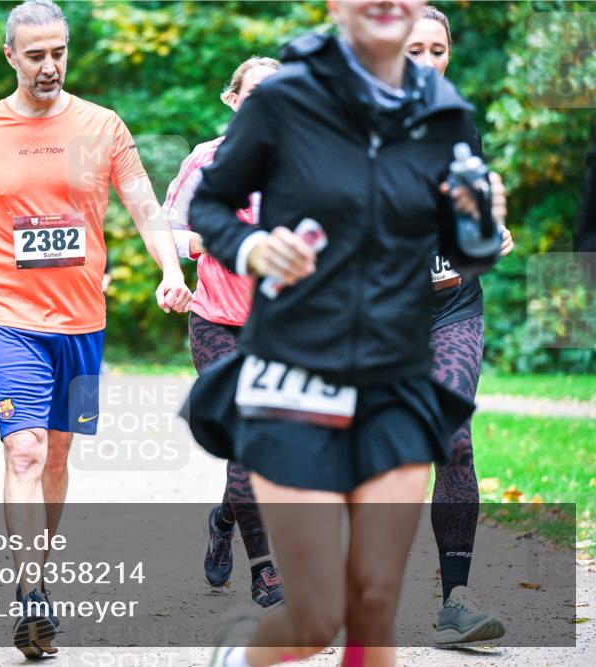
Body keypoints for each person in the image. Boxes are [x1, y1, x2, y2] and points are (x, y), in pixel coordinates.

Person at [186, 1, 500, 665]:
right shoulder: (286, 99)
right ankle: (237, 656)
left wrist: (479, 229)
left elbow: (462, 240)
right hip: (299, 367)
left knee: (374, 606)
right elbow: (209, 204)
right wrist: (252, 248)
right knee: (318, 616)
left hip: (396, 370)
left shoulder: (445, 113)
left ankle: (448, 595)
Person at [0, 0, 192, 657]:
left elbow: (142, 202)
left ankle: (39, 576)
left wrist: (169, 268)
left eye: (59, 53)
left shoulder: (100, 127)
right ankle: (29, 596)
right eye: (36, 55)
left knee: (55, 456)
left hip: (81, 321)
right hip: (7, 319)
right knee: (21, 450)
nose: (49, 66)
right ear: (10, 56)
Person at [406, 4, 514, 646]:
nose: (427, 63)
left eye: (437, 50)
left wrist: (487, 233)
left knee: (454, 437)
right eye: (412, 50)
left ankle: (457, 602)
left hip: (452, 302)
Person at [162, 56, 284, 608]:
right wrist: (201, 246)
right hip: (216, 319)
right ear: (232, 100)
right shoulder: (206, 160)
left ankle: (223, 520)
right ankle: (265, 570)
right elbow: (166, 225)